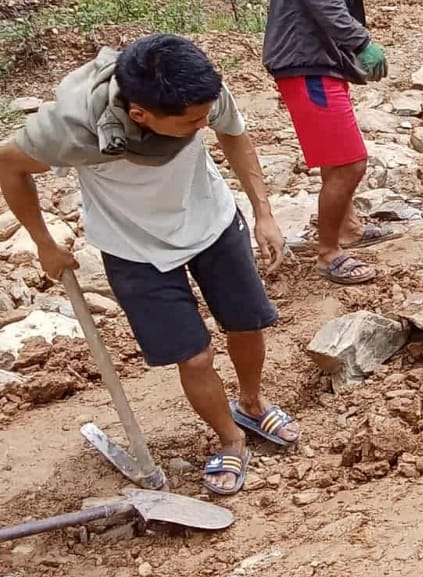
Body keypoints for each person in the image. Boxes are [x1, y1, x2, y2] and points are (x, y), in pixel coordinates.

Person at [0, 35, 298, 496]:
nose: (203, 124)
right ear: (140, 115)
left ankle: (252, 404)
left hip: (211, 221)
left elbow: (234, 133)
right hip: (133, 248)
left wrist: (264, 211)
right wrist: (43, 243)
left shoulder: (199, 91)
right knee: (194, 355)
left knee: (245, 324)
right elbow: (8, 164)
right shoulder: (72, 130)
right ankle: (230, 439)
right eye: (191, 122)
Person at [264, 0, 390, 286]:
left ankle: (348, 226)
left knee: (336, 156)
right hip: (307, 60)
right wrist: (360, 40)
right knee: (350, 163)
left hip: (313, 55)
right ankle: (328, 252)